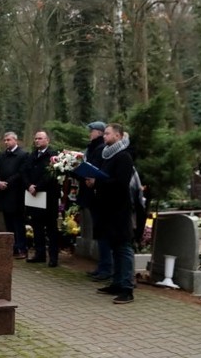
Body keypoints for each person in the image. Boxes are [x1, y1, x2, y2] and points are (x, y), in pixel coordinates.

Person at [88, 123, 136, 304]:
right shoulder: (107, 155)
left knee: (123, 248)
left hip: (119, 211)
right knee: (115, 247)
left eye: (107, 134)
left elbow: (120, 183)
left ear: (118, 136)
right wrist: (93, 180)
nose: (104, 137)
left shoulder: (124, 156)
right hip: (106, 209)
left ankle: (127, 288)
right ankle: (116, 282)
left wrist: (98, 181)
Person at [79, 121, 112, 280]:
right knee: (99, 233)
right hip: (91, 193)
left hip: (97, 195)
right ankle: (102, 265)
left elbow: (98, 169)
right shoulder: (92, 147)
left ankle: (106, 267)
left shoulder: (100, 149)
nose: (90, 133)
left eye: (92, 131)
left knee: (103, 233)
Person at [23, 131, 60, 267]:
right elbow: (24, 171)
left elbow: (51, 174)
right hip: (33, 196)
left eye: (40, 138)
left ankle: (53, 257)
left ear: (47, 140)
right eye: (35, 138)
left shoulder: (53, 156)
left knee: (51, 227)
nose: (37, 141)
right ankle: (40, 254)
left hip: (48, 196)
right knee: (36, 226)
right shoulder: (32, 155)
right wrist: (29, 185)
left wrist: (37, 186)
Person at [0, 132, 29, 258]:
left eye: (8, 140)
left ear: (15, 140)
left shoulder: (23, 155)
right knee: (8, 223)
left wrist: (7, 183)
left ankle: (21, 248)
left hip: (16, 194)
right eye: (4, 140)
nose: (6, 142)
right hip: (3, 193)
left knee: (18, 223)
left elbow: (21, 173)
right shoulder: (2, 155)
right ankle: (12, 247)